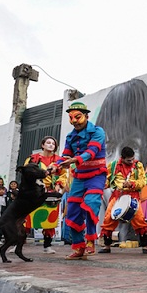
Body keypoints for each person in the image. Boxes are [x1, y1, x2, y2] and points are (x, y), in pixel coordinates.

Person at [55, 102, 107, 260]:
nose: (74, 121)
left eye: (77, 117)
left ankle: (91, 239)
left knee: (91, 203)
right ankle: (78, 248)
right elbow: (64, 156)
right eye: (71, 118)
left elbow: (92, 151)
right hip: (79, 176)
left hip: (96, 175)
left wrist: (73, 160)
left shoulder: (97, 131)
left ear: (86, 116)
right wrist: (55, 166)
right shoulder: (70, 136)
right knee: (73, 211)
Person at [98, 146, 147, 254]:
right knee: (108, 218)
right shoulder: (113, 166)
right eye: (128, 160)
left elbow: (143, 181)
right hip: (118, 195)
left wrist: (132, 184)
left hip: (133, 196)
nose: (131, 161)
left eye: (132, 159)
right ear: (122, 158)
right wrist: (100, 186)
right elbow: (106, 181)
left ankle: (145, 246)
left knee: (140, 219)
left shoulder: (138, 165)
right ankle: (107, 246)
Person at [24, 136, 68, 254]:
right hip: (34, 191)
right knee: (27, 218)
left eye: (53, 144)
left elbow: (64, 174)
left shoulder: (59, 160)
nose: (50, 145)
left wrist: (59, 184)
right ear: (42, 145)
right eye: (48, 143)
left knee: (50, 218)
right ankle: (18, 243)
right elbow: (26, 172)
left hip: (50, 192)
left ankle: (47, 245)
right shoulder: (33, 159)